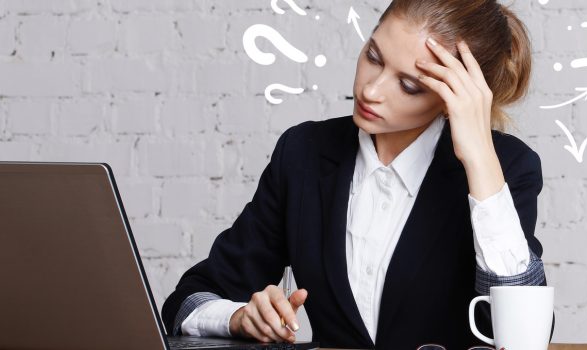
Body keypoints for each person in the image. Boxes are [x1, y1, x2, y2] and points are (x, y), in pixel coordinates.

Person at [161, 0, 549, 348]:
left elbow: (521, 338)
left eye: (410, 85)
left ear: (454, 98)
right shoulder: (304, 154)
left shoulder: (507, 168)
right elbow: (190, 300)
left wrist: (480, 159)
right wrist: (238, 318)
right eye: (374, 56)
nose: (372, 90)